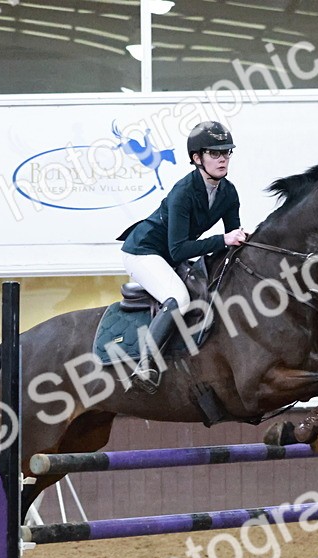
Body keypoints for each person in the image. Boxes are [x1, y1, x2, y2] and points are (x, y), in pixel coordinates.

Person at [116, 120, 247, 393]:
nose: (223, 159)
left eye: (226, 152)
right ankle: (145, 364)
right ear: (197, 158)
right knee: (180, 297)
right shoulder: (183, 192)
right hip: (144, 252)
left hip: (170, 255)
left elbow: (233, 237)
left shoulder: (229, 192)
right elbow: (179, 249)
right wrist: (223, 239)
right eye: (215, 153)